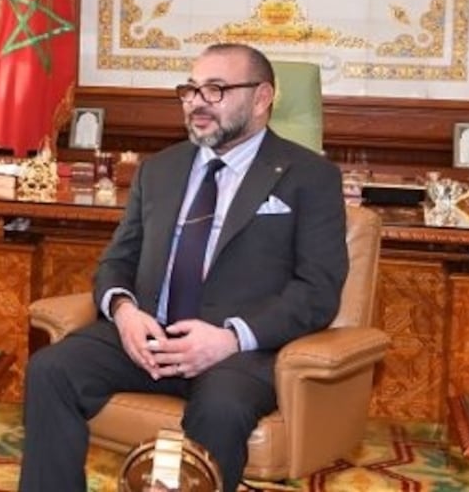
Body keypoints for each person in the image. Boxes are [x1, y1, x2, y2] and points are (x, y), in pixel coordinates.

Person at [19, 43, 349, 492]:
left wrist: (231, 337)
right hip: (149, 336)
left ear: (262, 98)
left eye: (215, 90)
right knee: (50, 370)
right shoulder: (160, 169)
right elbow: (118, 261)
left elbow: (317, 290)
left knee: (221, 410)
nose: (196, 102)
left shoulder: (309, 176)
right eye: (190, 90)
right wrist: (124, 313)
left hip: (238, 350)